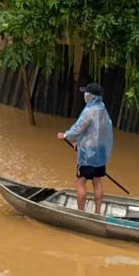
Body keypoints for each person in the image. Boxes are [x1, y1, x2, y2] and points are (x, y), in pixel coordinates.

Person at [58, 82, 114, 214]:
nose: (84, 95)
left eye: (86, 93)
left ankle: (81, 213)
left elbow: (78, 128)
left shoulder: (88, 111)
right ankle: (98, 212)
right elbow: (98, 132)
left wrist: (65, 135)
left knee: (81, 182)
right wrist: (78, 142)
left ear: (92, 96)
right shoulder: (103, 110)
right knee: (97, 181)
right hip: (100, 153)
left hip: (87, 155)